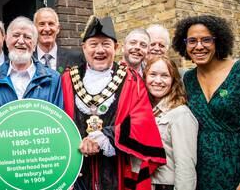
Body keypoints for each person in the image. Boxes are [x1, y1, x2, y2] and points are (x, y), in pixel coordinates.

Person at [62, 15, 166, 190]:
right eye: (94, 44)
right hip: (76, 173)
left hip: (117, 171)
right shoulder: (66, 79)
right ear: (84, 48)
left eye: (106, 44)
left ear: (116, 47)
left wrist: (108, 136)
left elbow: (143, 122)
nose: (100, 50)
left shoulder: (131, 80)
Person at [172, 15, 240, 190]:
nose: (199, 46)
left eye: (206, 40)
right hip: (202, 176)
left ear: (218, 41)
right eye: (192, 41)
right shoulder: (188, 79)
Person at [0, 16, 63, 116]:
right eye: (16, 35)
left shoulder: (53, 79)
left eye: (27, 37)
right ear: (6, 41)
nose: (21, 41)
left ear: (34, 45)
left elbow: (57, 121)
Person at [143, 56, 198, 190]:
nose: (158, 80)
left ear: (173, 81)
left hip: (165, 186)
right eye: (153, 74)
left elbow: (186, 167)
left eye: (165, 76)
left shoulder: (180, 114)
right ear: (145, 78)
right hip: (143, 184)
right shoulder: (144, 111)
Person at [33, 7, 85, 73]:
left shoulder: (76, 58)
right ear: (34, 29)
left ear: (58, 28)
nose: (47, 29)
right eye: (42, 24)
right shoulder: (28, 59)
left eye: (51, 24)